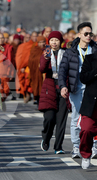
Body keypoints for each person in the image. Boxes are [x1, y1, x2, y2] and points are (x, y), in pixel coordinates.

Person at [59, 22, 97, 158]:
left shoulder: (95, 49)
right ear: (79, 35)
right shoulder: (71, 52)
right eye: (85, 34)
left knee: (92, 118)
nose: (88, 36)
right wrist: (63, 86)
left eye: (90, 34)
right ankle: (76, 146)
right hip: (76, 89)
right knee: (76, 118)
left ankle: (93, 146)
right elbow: (62, 70)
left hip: (93, 90)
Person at [39, 31, 69, 154]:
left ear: (60, 41)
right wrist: (46, 58)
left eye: (56, 40)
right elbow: (42, 69)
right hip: (49, 88)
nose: (54, 42)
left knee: (61, 119)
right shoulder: (46, 53)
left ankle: (58, 147)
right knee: (49, 118)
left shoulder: (66, 53)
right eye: (52, 40)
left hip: (63, 88)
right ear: (49, 42)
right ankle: (46, 138)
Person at [78, 49, 97, 169]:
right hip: (91, 103)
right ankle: (85, 155)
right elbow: (83, 78)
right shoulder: (90, 58)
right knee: (86, 130)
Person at [15, 32, 37, 102]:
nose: (35, 38)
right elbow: (23, 58)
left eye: (36, 36)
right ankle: (27, 94)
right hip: (27, 67)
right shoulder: (25, 46)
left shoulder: (38, 45)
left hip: (35, 66)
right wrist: (21, 66)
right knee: (27, 81)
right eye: (33, 36)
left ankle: (35, 96)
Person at [28, 36, 46, 105]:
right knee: (37, 86)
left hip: (44, 72)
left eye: (43, 42)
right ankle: (38, 100)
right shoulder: (34, 50)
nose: (42, 44)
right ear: (37, 43)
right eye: (40, 42)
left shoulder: (47, 49)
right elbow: (31, 60)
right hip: (36, 72)